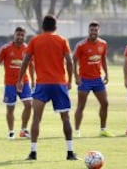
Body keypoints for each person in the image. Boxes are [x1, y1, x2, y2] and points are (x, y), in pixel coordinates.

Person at [16, 15, 78, 161]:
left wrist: (19, 79)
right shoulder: (62, 40)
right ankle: (70, 153)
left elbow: (25, 62)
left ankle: (33, 153)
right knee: (65, 118)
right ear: (55, 27)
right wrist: (69, 80)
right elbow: (69, 61)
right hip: (59, 84)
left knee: (36, 118)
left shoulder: (35, 40)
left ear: (42, 27)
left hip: (42, 84)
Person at [0, 27, 34, 140]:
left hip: (24, 82)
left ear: (25, 37)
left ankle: (24, 130)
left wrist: (33, 80)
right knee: (10, 108)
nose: (19, 37)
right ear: (14, 35)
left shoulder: (28, 48)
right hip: (10, 83)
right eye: (18, 34)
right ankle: (11, 131)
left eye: (22, 35)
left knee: (29, 105)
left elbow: (31, 65)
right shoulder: (6, 48)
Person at [73, 21, 114, 138]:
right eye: (91, 30)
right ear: (88, 31)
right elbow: (74, 60)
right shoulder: (81, 45)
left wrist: (106, 74)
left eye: (95, 30)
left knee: (105, 103)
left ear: (98, 31)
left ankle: (103, 130)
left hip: (97, 79)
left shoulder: (103, 44)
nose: (93, 32)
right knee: (81, 105)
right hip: (84, 80)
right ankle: (76, 131)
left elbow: (103, 59)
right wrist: (76, 76)